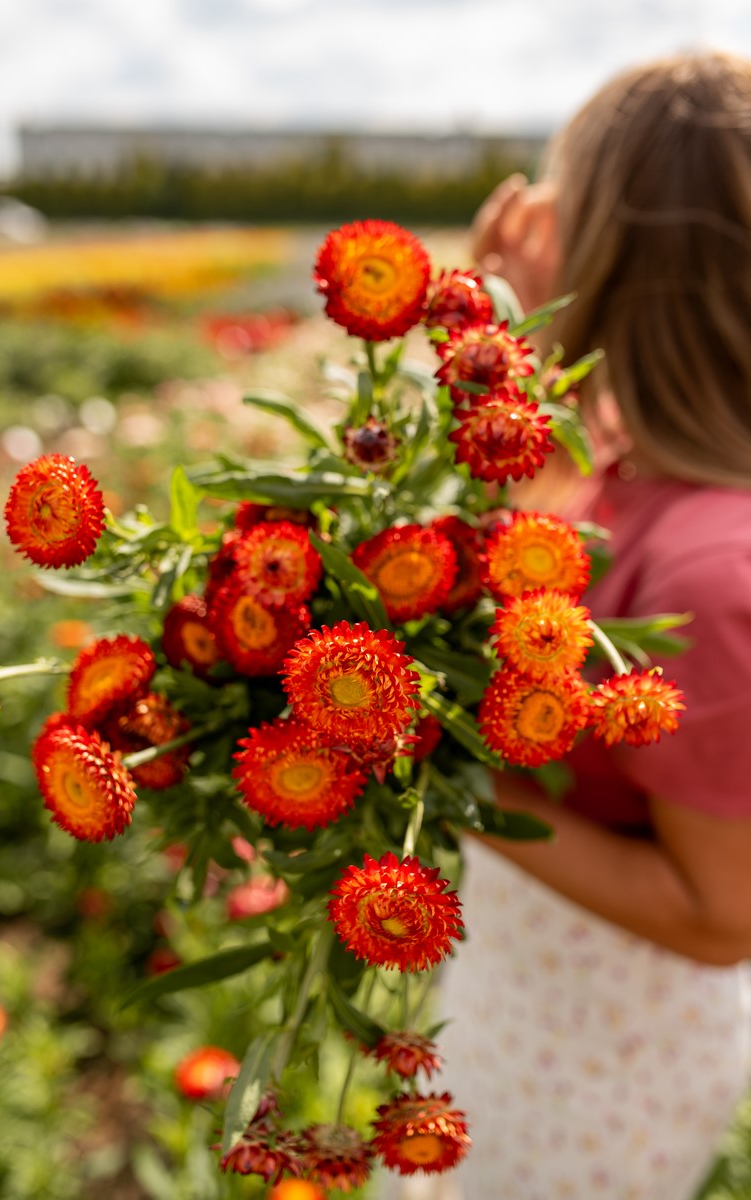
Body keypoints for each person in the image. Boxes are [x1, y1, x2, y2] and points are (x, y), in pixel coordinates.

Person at [424, 51, 751, 1200]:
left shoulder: (712, 571)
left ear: (604, 254)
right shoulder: (636, 472)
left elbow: (724, 918)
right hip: (535, 989)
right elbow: (518, 537)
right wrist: (494, 355)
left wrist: (454, 780)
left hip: (611, 1052)